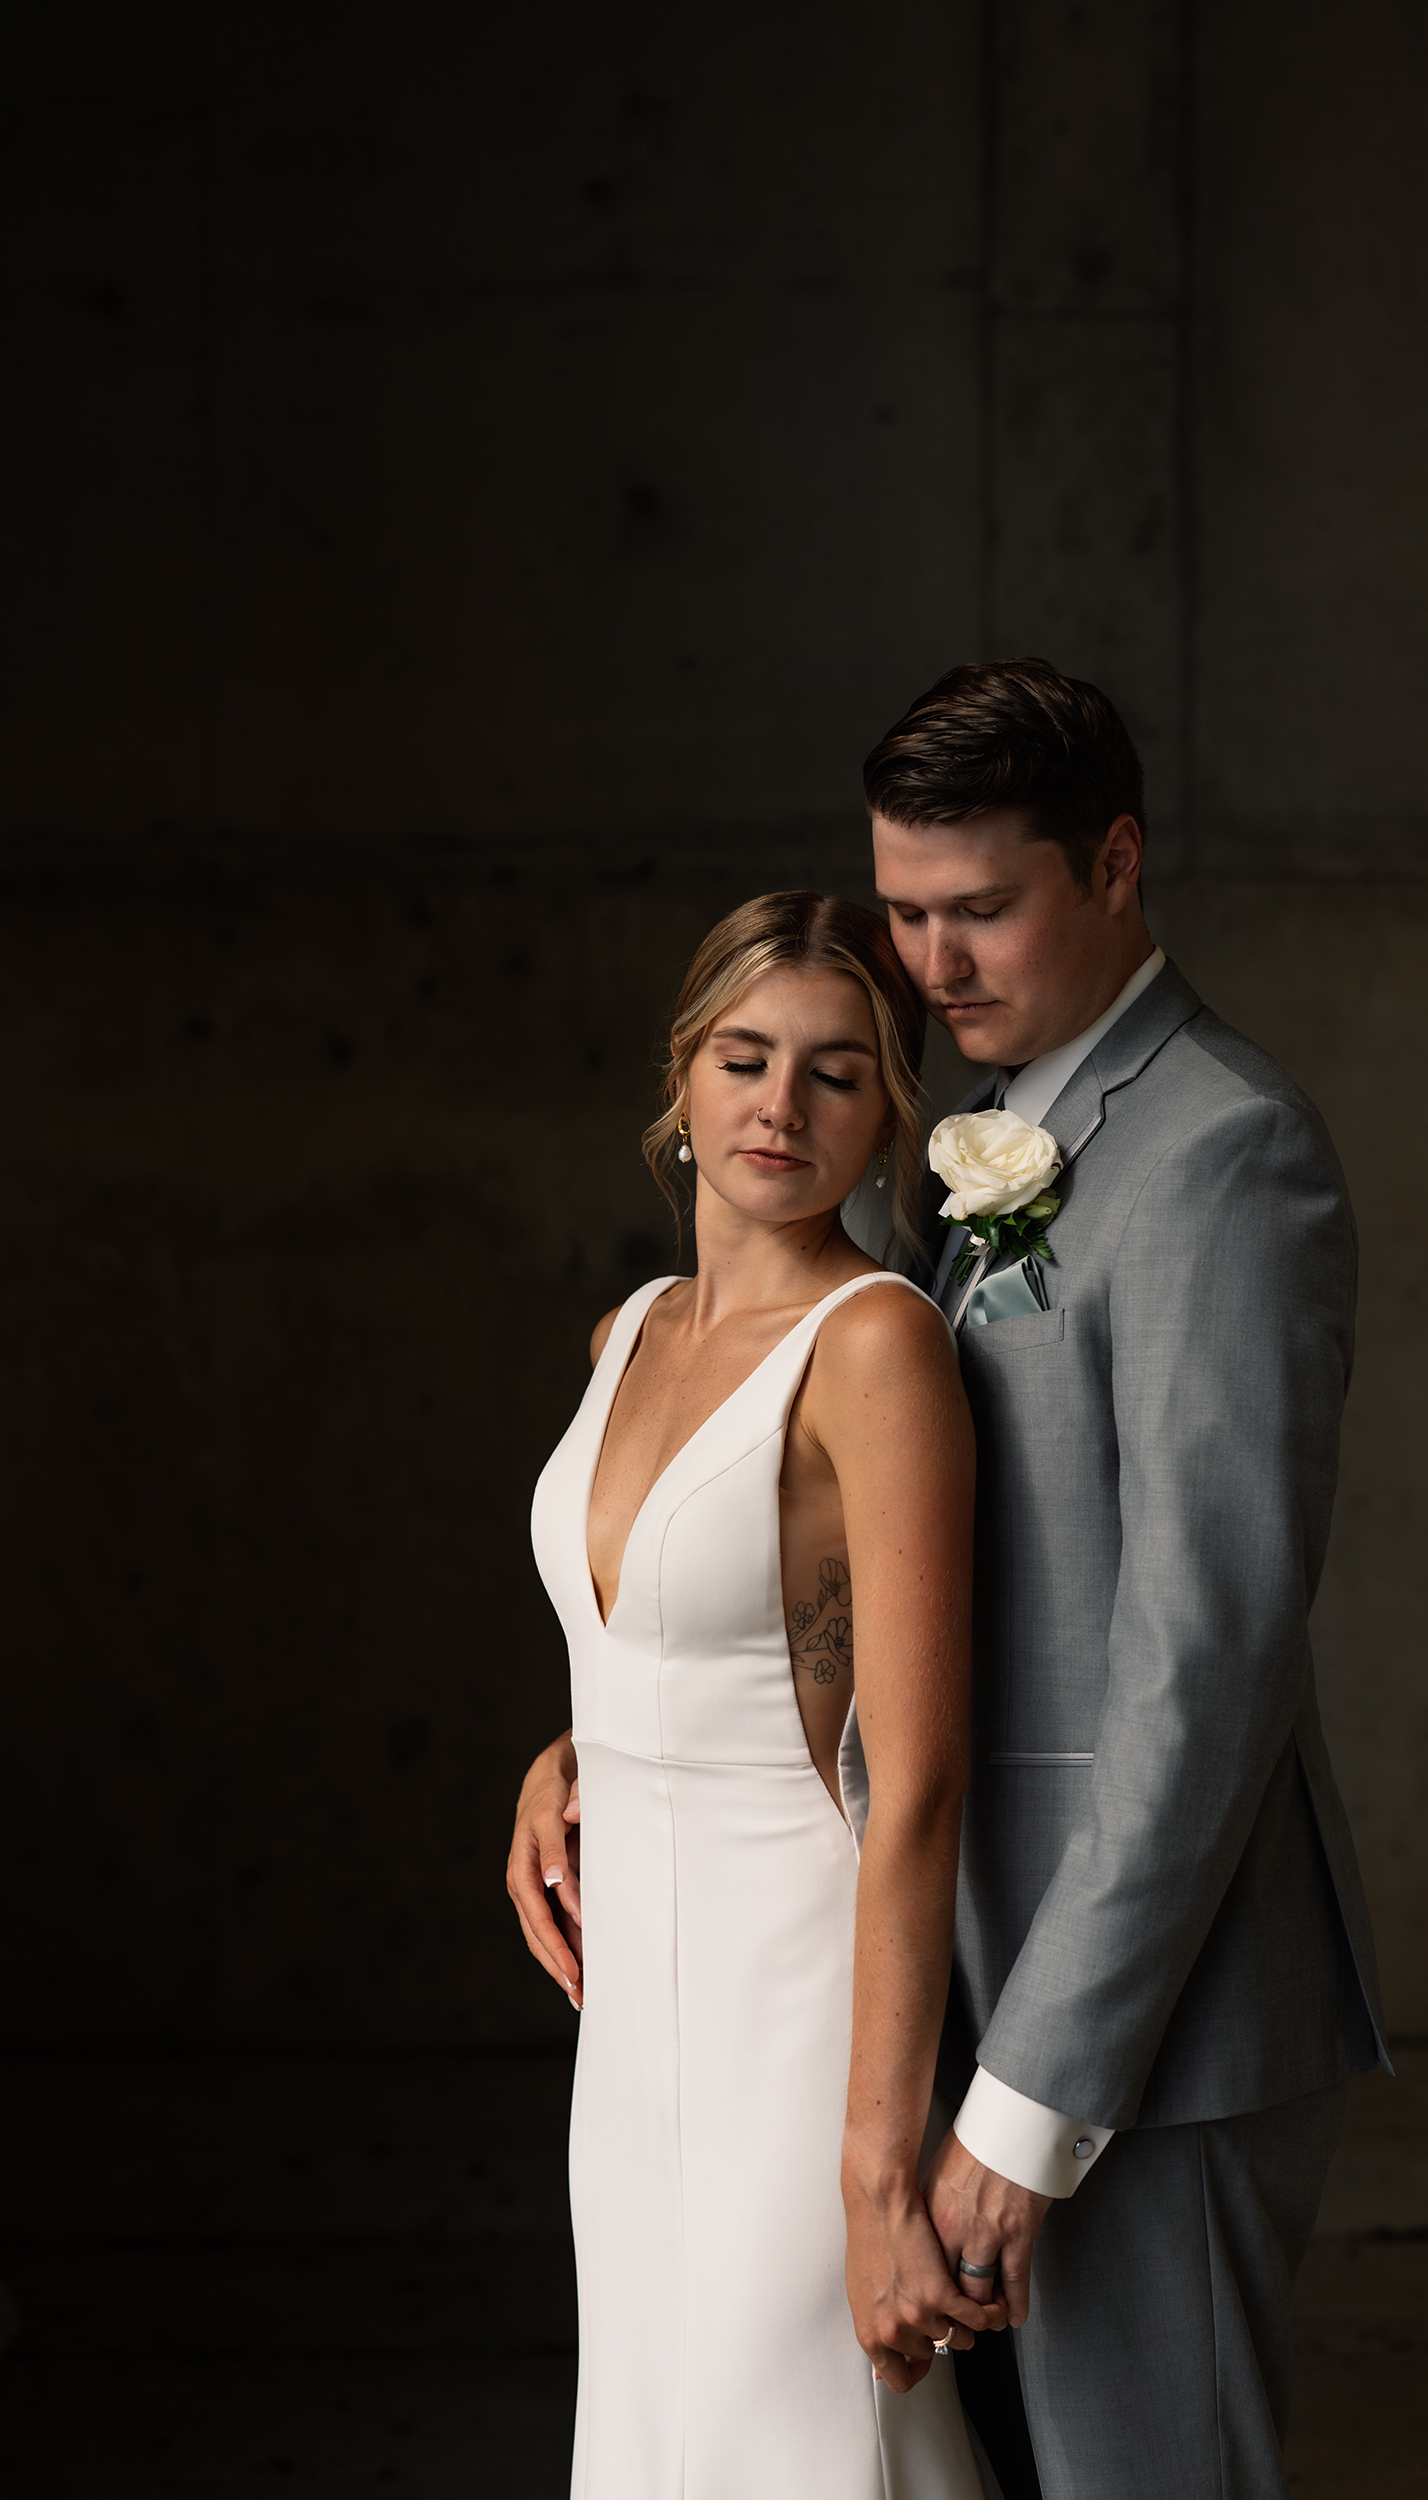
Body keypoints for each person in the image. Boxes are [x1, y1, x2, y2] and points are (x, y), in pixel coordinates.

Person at [864, 659, 1391, 2500]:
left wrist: (1031, 2092)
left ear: (1115, 862)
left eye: (980, 910)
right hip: (966, 1978)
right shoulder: (954, 1156)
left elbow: (1206, 1658)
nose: (934, 968)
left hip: (1139, 2035)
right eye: (906, 916)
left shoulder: (1221, 1153)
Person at [506, 893, 1004, 2499]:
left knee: (796, 2452)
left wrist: (877, 2172)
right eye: (746, 1058)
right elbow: (665, 1629)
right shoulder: (629, 1331)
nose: (781, 1107)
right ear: (683, 1076)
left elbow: (917, 1779)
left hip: (799, 2020)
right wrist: (567, 1754)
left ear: (890, 1117)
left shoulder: (876, 1348)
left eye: (839, 1073)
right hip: (632, 2043)